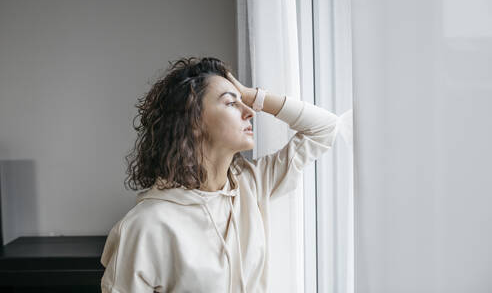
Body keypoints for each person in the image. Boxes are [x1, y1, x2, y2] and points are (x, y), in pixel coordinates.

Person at [100, 56, 341, 293]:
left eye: (243, 103)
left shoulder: (252, 184)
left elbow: (325, 128)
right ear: (193, 120)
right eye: (230, 103)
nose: (250, 112)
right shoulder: (146, 226)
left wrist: (252, 96)